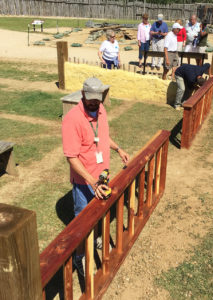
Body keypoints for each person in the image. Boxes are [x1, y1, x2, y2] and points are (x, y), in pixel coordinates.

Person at [62, 77, 130, 275]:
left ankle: (98, 238)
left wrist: (118, 149)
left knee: (100, 212)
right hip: (85, 182)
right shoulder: (73, 120)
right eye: (90, 98)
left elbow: (102, 135)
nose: (93, 102)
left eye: (97, 99)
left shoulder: (101, 110)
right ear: (82, 95)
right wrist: (92, 182)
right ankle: (79, 258)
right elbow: (72, 157)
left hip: (102, 176)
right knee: (83, 222)